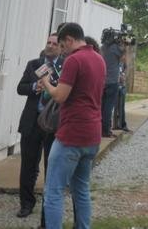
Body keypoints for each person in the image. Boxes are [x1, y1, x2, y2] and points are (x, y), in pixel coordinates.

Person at [38, 22, 105, 229]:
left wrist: (46, 81)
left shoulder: (74, 60)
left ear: (69, 40)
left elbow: (60, 96)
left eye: (62, 45)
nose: (62, 50)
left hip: (71, 134)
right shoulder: (99, 59)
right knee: (81, 189)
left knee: (53, 191)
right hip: (92, 133)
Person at [16, 33, 61, 219]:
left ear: (61, 47)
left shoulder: (65, 66)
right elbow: (21, 88)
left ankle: (47, 207)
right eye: (48, 42)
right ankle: (26, 203)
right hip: (32, 121)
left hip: (52, 122)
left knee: (51, 165)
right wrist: (35, 86)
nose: (50, 46)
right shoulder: (34, 64)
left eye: (54, 43)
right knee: (28, 165)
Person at [99, 30, 125, 138]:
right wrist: (125, 47)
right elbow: (124, 60)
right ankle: (106, 131)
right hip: (112, 82)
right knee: (108, 107)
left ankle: (99, 129)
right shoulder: (116, 49)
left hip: (101, 81)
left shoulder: (102, 48)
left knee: (100, 107)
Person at [113, 59, 129, 132]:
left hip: (122, 86)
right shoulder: (113, 60)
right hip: (115, 85)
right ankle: (115, 125)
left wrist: (123, 75)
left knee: (121, 106)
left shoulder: (122, 62)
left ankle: (122, 124)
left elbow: (124, 69)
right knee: (115, 107)